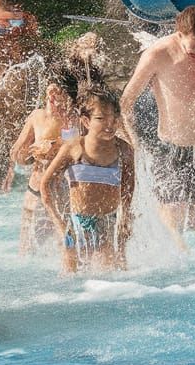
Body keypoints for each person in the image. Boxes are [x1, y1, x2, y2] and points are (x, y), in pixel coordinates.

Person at [120, 5, 195, 239]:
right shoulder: (158, 54)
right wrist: (132, 141)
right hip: (170, 147)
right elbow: (126, 101)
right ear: (179, 34)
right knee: (172, 227)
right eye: (194, 47)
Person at [40, 88, 135, 272]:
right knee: (70, 279)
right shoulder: (74, 148)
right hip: (75, 225)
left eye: (115, 118)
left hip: (107, 224)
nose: (110, 124)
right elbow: (45, 185)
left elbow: (128, 189)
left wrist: (125, 219)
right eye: (101, 118)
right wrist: (60, 225)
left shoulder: (124, 150)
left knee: (109, 277)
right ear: (86, 121)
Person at [7, 71, 80, 255]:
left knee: (66, 247)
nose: (53, 103)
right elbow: (16, 153)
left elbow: (89, 147)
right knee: (27, 251)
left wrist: (58, 145)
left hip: (66, 193)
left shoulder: (77, 118)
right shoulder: (37, 116)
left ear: (68, 96)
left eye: (58, 97)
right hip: (37, 192)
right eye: (50, 97)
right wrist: (32, 153)